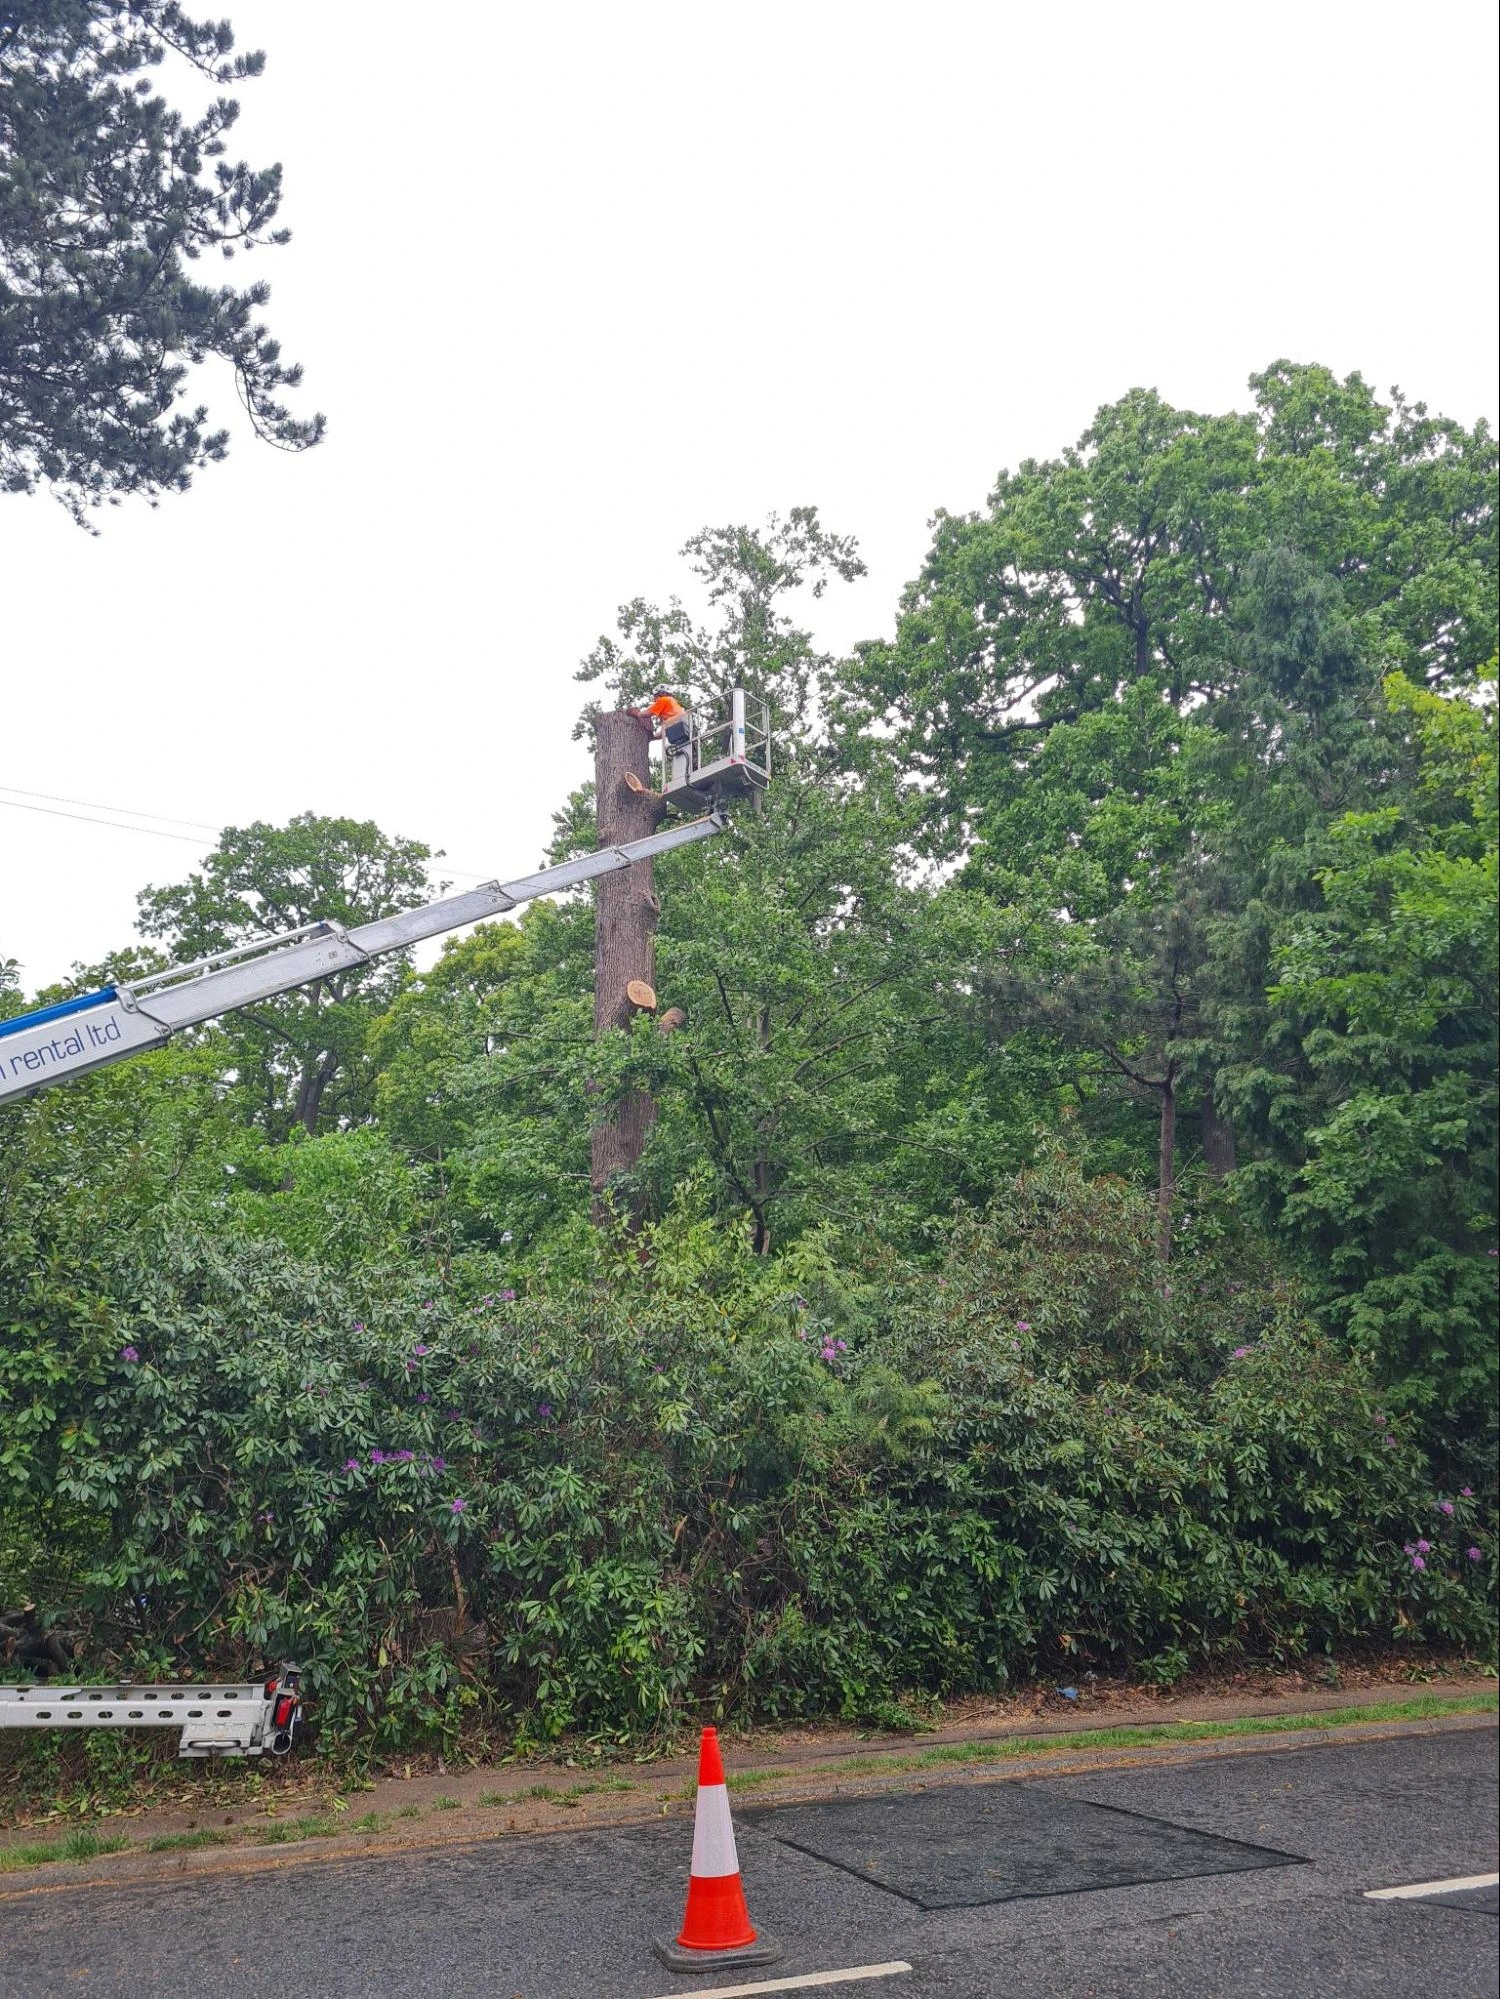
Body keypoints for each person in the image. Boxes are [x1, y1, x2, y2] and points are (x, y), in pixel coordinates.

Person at [629, 692, 694, 788]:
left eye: (655, 698)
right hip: (685, 728)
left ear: (658, 695)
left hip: (681, 726)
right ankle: (693, 768)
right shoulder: (674, 709)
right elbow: (665, 732)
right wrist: (653, 738)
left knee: (685, 754)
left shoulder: (663, 700)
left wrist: (637, 714)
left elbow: (646, 713)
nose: (655, 701)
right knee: (690, 755)